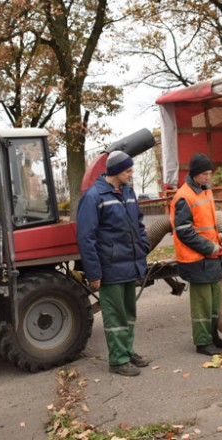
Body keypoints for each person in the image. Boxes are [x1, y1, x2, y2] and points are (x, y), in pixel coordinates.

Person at [76, 150, 152, 376]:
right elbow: (86, 238)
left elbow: (138, 223)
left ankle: (127, 352)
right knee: (115, 315)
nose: (131, 173)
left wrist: (144, 245)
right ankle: (118, 361)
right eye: (128, 170)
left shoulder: (128, 192)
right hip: (110, 267)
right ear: (117, 171)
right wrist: (94, 273)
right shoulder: (94, 196)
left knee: (128, 313)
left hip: (130, 263)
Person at [171, 153, 222, 356]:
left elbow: (210, 220)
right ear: (195, 174)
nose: (208, 177)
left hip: (211, 256)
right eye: (204, 174)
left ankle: (213, 337)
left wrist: (219, 234)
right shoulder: (183, 197)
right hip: (196, 259)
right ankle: (202, 342)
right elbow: (184, 231)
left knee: (214, 302)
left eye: (209, 173)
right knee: (202, 304)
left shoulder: (206, 191)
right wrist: (209, 247)